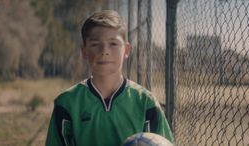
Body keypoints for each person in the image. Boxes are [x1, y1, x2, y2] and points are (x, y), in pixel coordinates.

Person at [45, 10, 174, 146]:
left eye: (113, 44)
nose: (104, 51)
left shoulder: (146, 102)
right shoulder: (67, 103)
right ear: (84, 52)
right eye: (95, 44)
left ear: (127, 50)